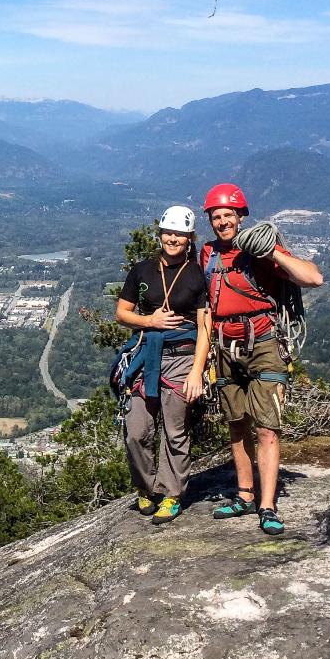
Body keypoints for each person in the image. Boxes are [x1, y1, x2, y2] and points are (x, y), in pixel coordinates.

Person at [200, 182, 323, 536]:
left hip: (264, 342)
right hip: (224, 345)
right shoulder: (206, 254)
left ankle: (267, 505)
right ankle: (244, 494)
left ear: (240, 217)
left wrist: (273, 253)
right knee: (236, 424)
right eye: (216, 216)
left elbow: (313, 277)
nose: (222, 222)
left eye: (228, 215)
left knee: (267, 427)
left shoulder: (261, 251)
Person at [113, 205, 210, 525]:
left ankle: (171, 494)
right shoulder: (142, 271)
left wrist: (197, 371)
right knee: (136, 430)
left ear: (189, 239)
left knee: (175, 431)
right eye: (168, 233)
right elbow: (122, 313)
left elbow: (205, 325)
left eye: (179, 235)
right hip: (146, 354)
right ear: (160, 235)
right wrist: (150, 320)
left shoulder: (197, 274)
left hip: (182, 356)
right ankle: (146, 488)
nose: (172, 239)